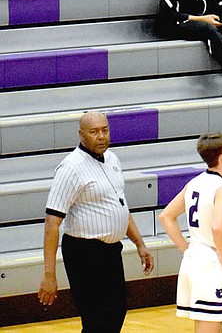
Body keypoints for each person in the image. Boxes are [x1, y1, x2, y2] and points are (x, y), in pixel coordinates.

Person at [38, 111, 154, 332]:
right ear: (81, 135)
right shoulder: (70, 168)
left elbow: (120, 205)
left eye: (105, 130)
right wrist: (49, 275)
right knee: (97, 320)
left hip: (111, 252)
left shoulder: (112, 159)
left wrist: (140, 244)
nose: (101, 136)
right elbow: (52, 223)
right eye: (94, 132)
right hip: (84, 254)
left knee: (117, 312)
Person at [159, 132, 222, 330]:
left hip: (193, 260)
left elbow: (166, 217)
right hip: (210, 263)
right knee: (210, 326)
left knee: (207, 324)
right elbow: (218, 226)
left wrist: (187, 250)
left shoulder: (194, 183)